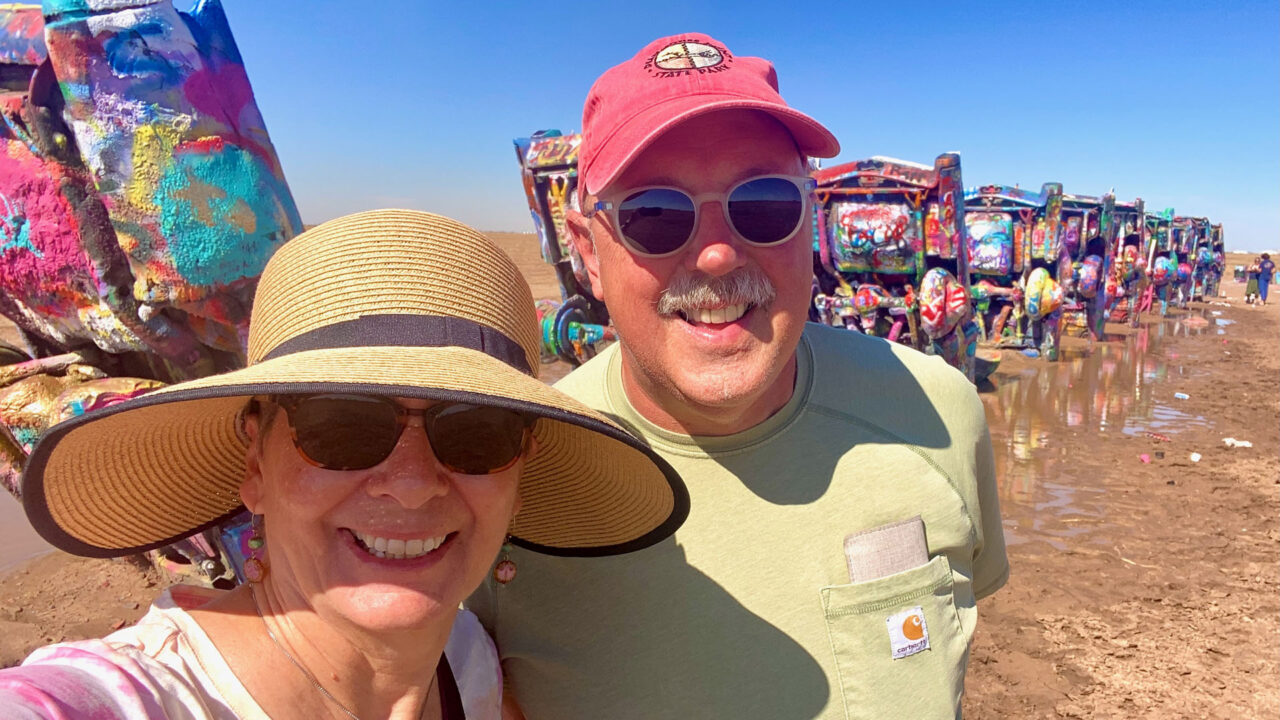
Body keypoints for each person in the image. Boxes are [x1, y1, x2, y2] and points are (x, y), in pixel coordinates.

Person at [468, 33, 1009, 720]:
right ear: (588, 254)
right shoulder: (507, 479)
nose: (719, 254)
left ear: (809, 222)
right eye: (655, 214)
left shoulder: (937, 414)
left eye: (764, 204)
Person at [0, 210, 687, 719]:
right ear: (255, 462)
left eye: (476, 433)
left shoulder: (469, 663)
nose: (412, 485)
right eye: (341, 426)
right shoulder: (132, 700)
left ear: (517, 478)